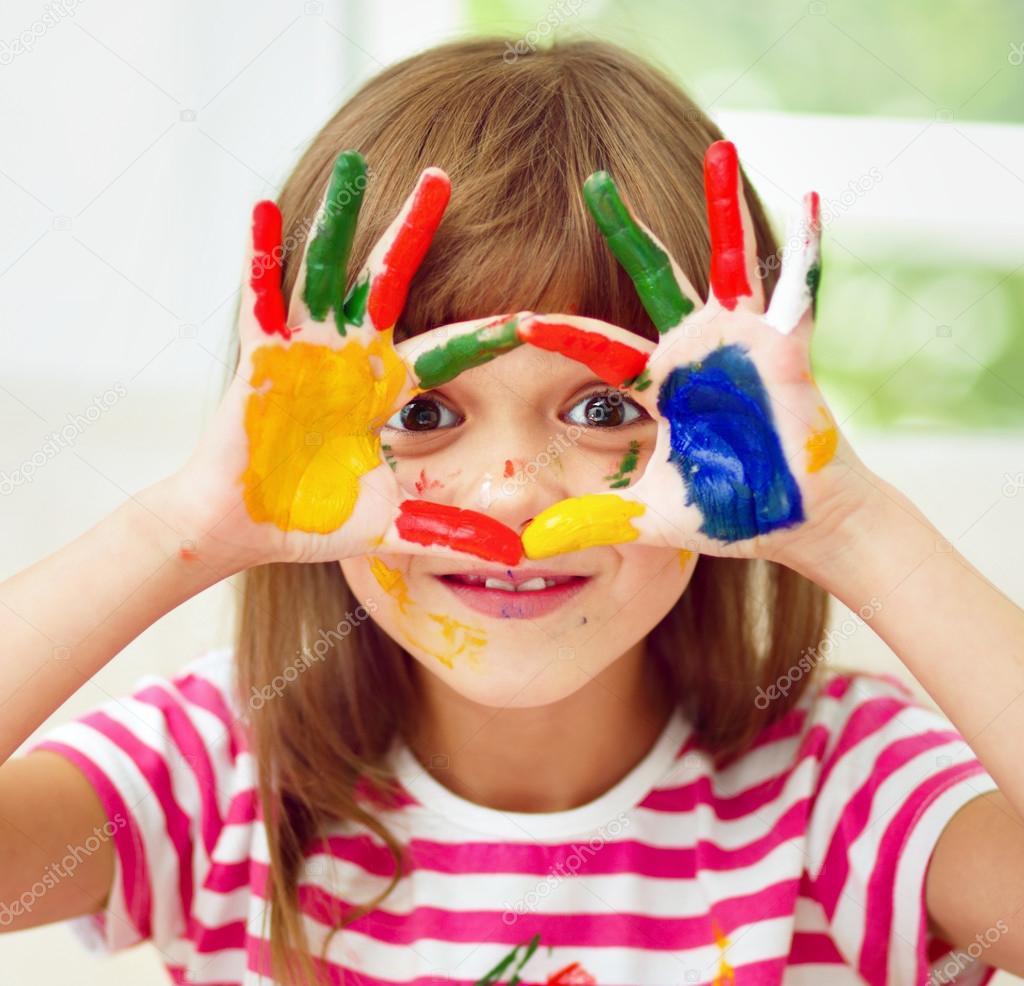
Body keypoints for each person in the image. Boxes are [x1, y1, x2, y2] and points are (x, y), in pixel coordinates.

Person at [3, 37, 1023, 986]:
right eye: (422, 409)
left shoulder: (841, 793)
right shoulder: (216, 772)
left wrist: (848, 525)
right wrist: (180, 527)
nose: (510, 490)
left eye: (602, 406)